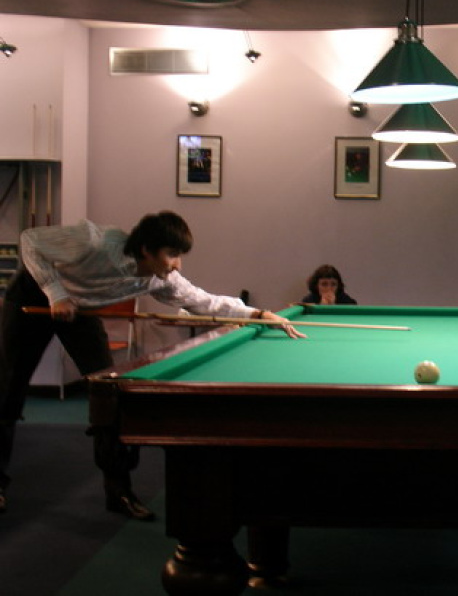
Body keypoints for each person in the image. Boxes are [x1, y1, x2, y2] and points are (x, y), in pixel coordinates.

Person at [0, 212, 305, 518]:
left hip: (78, 307)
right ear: (146, 249)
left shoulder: (161, 279)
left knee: (109, 394)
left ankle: (118, 492)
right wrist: (56, 293)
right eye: (172, 254)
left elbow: (203, 301)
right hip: (30, 297)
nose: (177, 265)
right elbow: (30, 241)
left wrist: (259, 315)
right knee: (7, 390)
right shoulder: (95, 242)